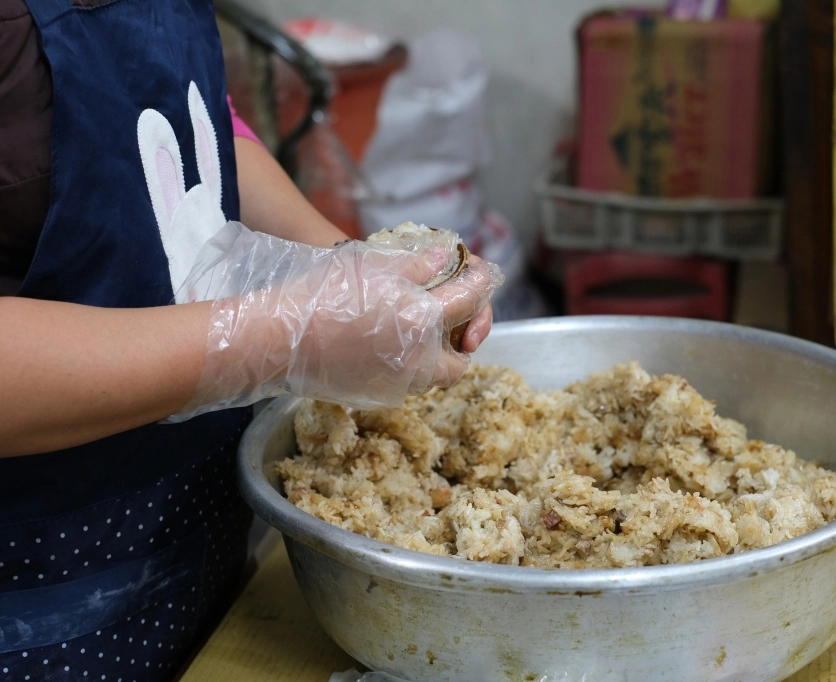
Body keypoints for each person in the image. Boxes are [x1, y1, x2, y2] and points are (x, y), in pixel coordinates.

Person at [0, 1, 502, 680]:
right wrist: (276, 336)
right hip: (34, 605)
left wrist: (353, 273)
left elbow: (198, 121)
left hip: (198, 534)